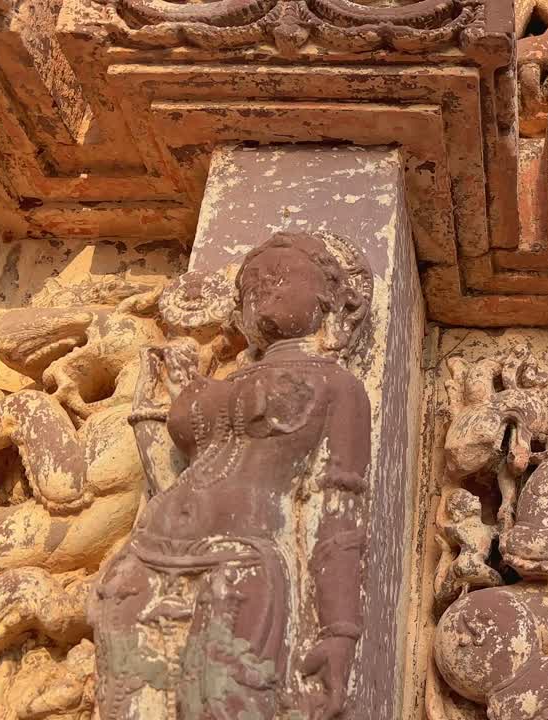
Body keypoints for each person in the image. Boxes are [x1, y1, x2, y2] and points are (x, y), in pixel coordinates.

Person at [94, 231, 372, 720]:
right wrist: (169, 396)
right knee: (126, 706)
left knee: (223, 706)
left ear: (331, 297)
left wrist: (338, 631)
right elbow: (170, 473)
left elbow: (338, 516)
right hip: (145, 557)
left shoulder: (336, 386)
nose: (262, 287)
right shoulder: (217, 383)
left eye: (282, 275)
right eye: (250, 284)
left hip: (240, 565)